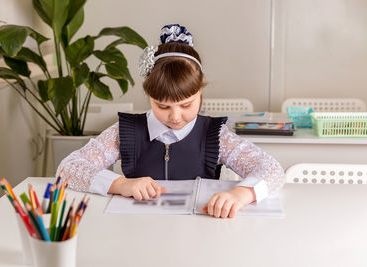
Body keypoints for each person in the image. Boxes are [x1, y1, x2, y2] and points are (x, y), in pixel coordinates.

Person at [56, 24, 286, 219]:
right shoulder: (125, 132)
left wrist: (241, 193)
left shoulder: (216, 135)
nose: (175, 117)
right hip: (137, 232)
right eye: (162, 106)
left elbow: (272, 170)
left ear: (200, 92)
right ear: (149, 96)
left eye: (186, 105)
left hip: (199, 232)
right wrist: (120, 185)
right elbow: (67, 169)